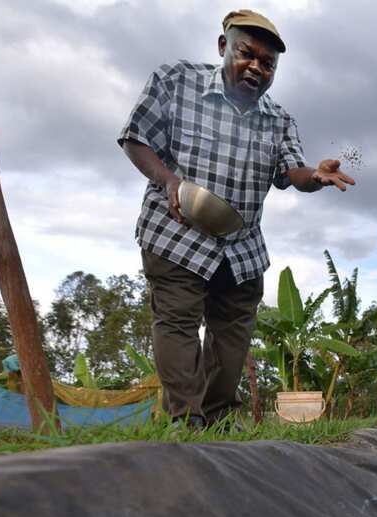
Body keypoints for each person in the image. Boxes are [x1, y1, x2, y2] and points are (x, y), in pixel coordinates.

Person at [118, 9, 354, 427]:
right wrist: (169, 180)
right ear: (224, 46)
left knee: (231, 341)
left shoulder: (278, 120)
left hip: (241, 249)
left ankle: (219, 418)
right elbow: (137, 139)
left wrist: (315, 177)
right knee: (177, 323)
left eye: (268, 64)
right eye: (248, 54)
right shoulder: (176, 81)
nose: (257, 68)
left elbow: (291, 172)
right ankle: (185, 420)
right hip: (177, 235)